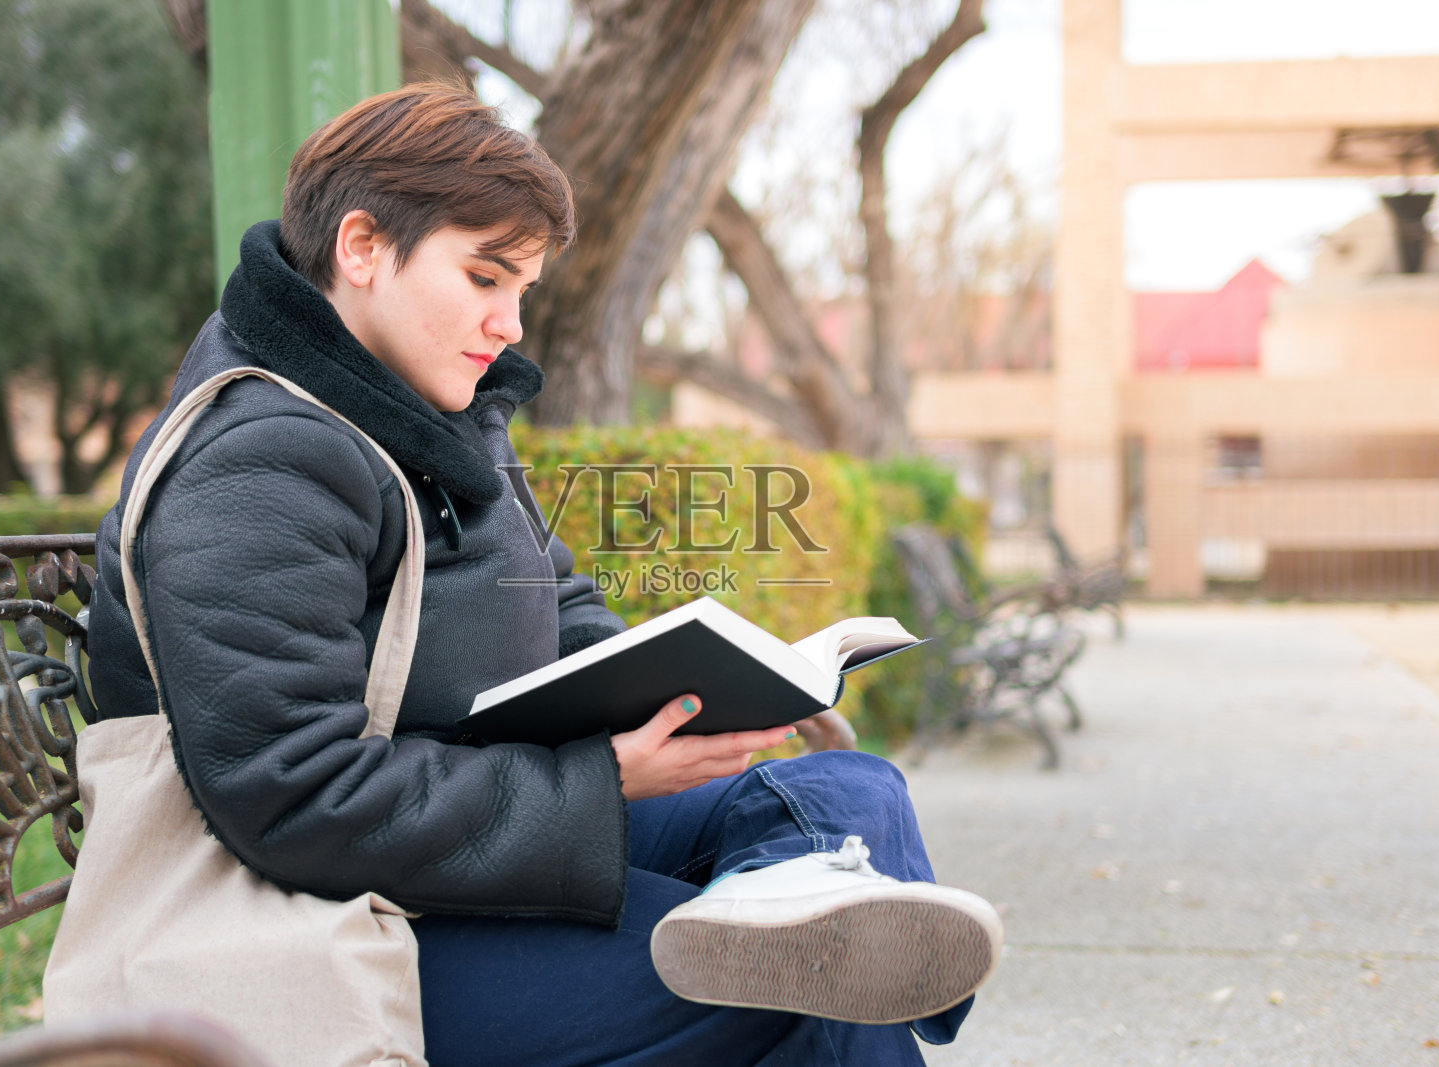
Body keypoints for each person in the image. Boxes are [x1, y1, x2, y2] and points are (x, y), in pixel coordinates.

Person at [85, 82, 1001, 1066]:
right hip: (333, 911)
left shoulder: (434, 411)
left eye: (521, 288)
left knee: (845, 801)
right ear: (359, 248)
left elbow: (554, 604)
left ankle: (810, 919)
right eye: (485, 277)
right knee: (785, 982)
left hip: (481, 838)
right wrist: (601, 778)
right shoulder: (256, 460)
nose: (510, 322)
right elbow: (292, 797)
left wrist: (696, 693)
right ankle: (809, 941)